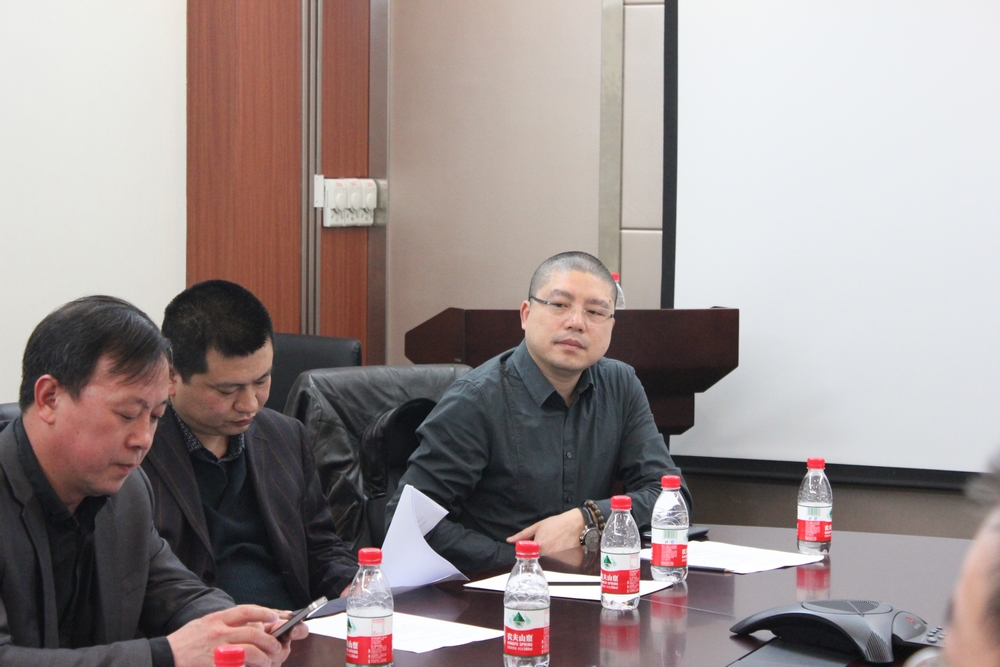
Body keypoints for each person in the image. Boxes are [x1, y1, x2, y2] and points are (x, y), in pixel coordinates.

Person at [0, 296, 304, 667]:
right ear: (49, 398)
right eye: (127, 415)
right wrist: (166, 655)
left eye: (156, 416)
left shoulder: (129, 491)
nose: (143, 439)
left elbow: (174, 592)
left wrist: (240, 626)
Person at [386, 251, 689, 574]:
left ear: (612, 325)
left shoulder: (621, 385)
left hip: (588, 587)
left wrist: (588, 518)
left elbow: (672, 497)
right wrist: (523, 562)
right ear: (526, 314)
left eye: (595, 311)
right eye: (559, 305)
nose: (576, 322)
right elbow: (409, 522)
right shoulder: (476, 399)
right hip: (492, 587)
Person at [142, 280, 356, 611]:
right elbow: (142, 584)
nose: (250, 404)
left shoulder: (286, 436)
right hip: (202, 630)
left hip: (294, 626)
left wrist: (351, 585)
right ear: (171, 376)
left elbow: (321, 548)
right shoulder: (136, 450)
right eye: (228, 390)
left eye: (262, 380)